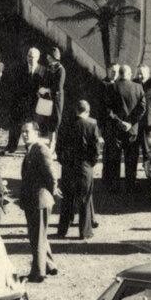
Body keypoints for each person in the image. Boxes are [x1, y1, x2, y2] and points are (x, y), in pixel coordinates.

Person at [18, 124, 60, 283]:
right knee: (39, 234)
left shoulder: (41, 149)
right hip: (33, 199)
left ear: (36, 133)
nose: (24, 135)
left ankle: (38, 272)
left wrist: (52, 191)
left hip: (39, 199)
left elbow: (51, 175)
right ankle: (49, 265)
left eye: (27, 132)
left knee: (37, 237)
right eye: (22, 132)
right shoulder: (31, 149)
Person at [55, 96, 101, 238]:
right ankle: (85, 232)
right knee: (84, 200)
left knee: (67, 200)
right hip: (84, 167)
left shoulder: (65, 125)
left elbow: (59, 148)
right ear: (87, 112)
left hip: (69, 166)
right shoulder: (92, 126)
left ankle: (62, 230)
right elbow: (96, 150)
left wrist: (64, 162)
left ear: (76, 110)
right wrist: (90, 164)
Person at [105, 64, 149, 193]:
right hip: (132, 130)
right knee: (131, 160)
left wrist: (120, 122)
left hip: (116, 130)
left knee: (115, 160)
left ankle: (115, 187)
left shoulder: (111, 87)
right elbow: (142, 108)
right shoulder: (138, 87)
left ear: (119, 74)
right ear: (129, 74)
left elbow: (108, 110)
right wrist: (130, 122)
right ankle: (130, 186)